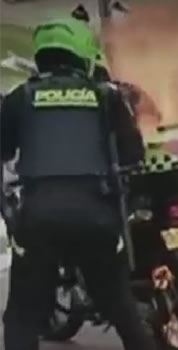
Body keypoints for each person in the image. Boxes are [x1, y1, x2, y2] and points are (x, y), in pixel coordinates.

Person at [0, 17, 158, 350]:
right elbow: (133, 155)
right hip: (97, 218)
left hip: (39, 219)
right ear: (84, 55)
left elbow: (3, 151)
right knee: (123, 312)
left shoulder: (20, 97)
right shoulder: (106, 96)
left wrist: (10, 209)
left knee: (22, 317)